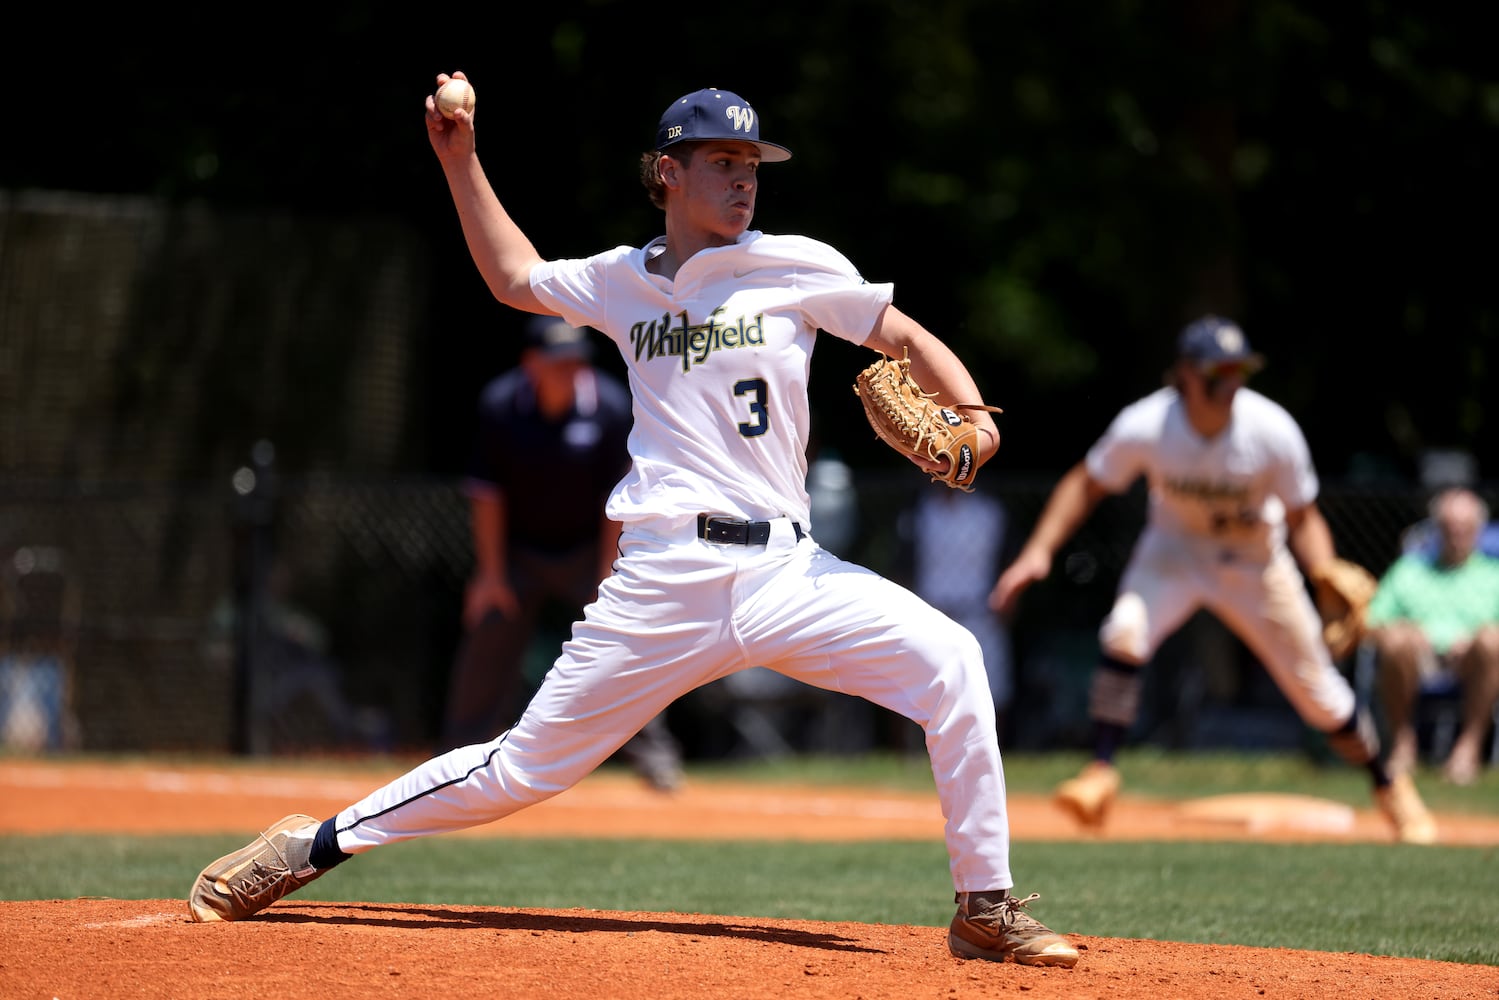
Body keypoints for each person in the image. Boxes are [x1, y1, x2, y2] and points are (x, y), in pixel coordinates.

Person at [185, 79, 1078, 968]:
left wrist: (978, 419)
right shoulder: (620, 281)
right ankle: (311, 847)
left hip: (787, 573)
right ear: (667, 171)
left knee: (952, 660)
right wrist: (459, 160)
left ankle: (983, 906)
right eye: (722, 162)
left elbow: (907, 339)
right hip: (665, 576)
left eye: (752, 165)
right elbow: (511, 277)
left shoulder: (798, 264)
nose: (743, 180)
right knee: (519, 772)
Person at [988, 315, 1438, 845]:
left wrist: (1322, 573)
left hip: (1256, 562)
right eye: (1216, 373)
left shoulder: (1270, 430)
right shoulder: (1148, 424)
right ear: (1184, 374)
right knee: (1124, 631)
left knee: (1322, 697)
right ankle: (1101, 772)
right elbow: (1088, 482)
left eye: (1237, 371)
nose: (1229, 384)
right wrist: (1039, 551)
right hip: (1175, 553)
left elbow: (1303, 515)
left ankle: (1390, 787)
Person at [440, 314, 683, 792]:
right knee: (490, 629)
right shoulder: (502, 404)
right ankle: (454, 762)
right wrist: (490, 574)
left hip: (588, 549)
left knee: (625, 641)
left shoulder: (610, 406)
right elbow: (488, 495)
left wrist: (606, 574)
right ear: (531, 363)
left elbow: (616, 499)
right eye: (557, 362)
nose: (569, 371)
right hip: (520, 551)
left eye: (575, 362)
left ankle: (656, 759)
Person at [1365, 486, 1499, 785]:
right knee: (1397, 640)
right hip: (1416, 660)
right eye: (1449, 528)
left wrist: (1472, 640)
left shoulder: (1495, 575)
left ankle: (1469, 748)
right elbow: (1373, 622)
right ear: (1437, 529)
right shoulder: (1408, 571)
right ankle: (1403, 745)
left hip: (1474, 663)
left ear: (1478, 531)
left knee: (1492, 640)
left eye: (1465, 528)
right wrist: (1408, 633)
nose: (1456, 535)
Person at [900, 488, 1014, 745]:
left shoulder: (989, 512)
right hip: (929, 611)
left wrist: (1006, 604)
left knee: (992, 689)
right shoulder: (921, 511)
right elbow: (904, 564)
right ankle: (911, 756)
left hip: (980, 613)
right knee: (918, 689)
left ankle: (996, 750)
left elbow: (1006, 560)